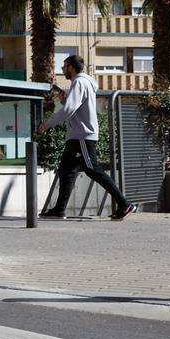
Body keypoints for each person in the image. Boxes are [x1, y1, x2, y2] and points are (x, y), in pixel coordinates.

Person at [38, 54, 136, 220]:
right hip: (77, 135)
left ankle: (125, 204)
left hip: (82, 135)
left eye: (64, 67)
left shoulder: (79, 82)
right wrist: (65, 101)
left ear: (71, 67)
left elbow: (69, 110)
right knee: (66, 171)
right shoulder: (83, 83)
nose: (62, 71)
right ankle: (59, 210)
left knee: (93, 170)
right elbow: (74, 108)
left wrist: (46, 124)